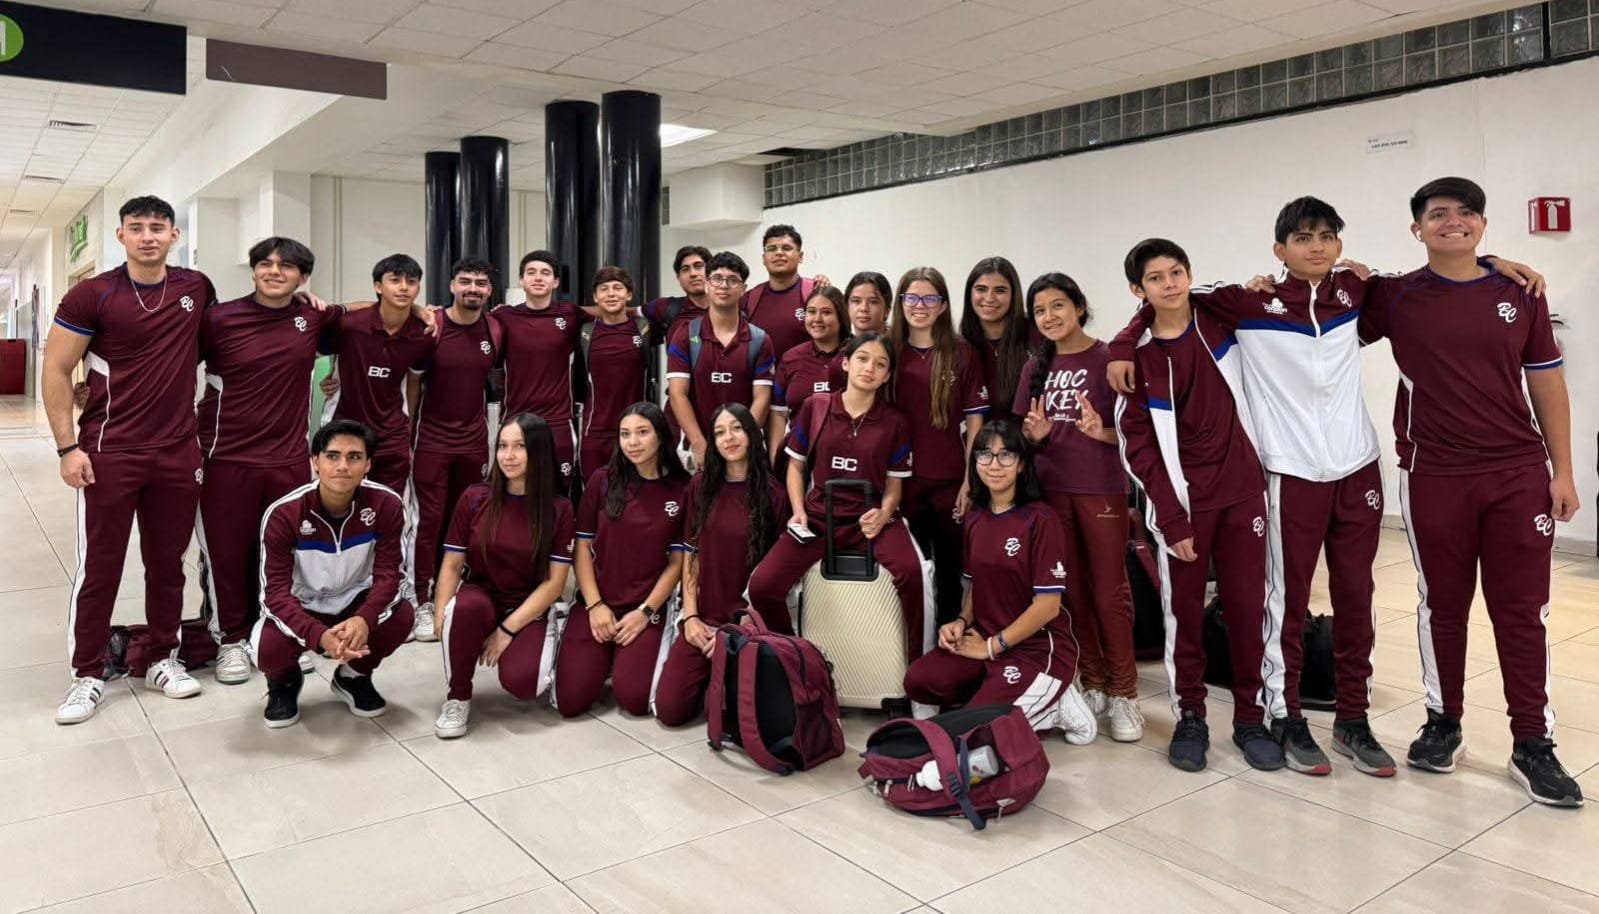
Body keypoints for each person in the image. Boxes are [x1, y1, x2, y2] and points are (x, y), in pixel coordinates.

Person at [1359, 177, 1581, 806]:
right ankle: (1443, 722)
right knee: (1443, 605)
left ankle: (1532, 741)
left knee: (1523, 610)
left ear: (1482, 225)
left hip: (1516, 474)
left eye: (1465, 213)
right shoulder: (1395, 296)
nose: (1452, 222)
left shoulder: (1520, 292)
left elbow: (1547, 383)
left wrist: (1562, 471)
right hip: (1433, 474)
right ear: (1417, 228)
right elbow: (1323, 300)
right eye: (1438, 214)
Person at [1114, 238, 1284, 773]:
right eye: (1156, 278)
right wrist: (1170, 517)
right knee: (1184, 615)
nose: (1170, 284)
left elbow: (1263, 293)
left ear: (1189, 274)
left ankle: (1251, 718)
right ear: (1138, 290)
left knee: (1247, 609)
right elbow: (1138, 447)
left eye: (1176, 273)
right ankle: (1190, 715)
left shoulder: (1217, 320)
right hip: (1185, 508)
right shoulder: (1137, 359)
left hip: (1244, 494)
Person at [47, 195, 217, 723]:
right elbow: (56, 368)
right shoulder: (92, 294)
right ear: (120, 234)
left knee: (168, 565)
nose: (148, 236)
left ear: (174, 236)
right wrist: (67, 448)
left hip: (177, 451)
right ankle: (88, 673)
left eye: (158, 228)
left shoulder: (196, 287)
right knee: (100, 567)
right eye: (137, 227)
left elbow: (229, 338)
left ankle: (163, 658)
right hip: (109, 451)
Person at [195, 236, 336, 685]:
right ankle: (231, 640)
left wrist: (422, 312)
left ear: (303, 277)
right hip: (225, 457)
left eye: (287, 266)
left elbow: (370, 321)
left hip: (288, 460)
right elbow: (166, 361)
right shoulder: (219, 319)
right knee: (227, 554)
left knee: (285, 553)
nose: (275, 271)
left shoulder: (312, 317)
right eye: (266, 264)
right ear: (253, 270)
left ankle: (282, 632)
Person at [904, 420, 1096, 743]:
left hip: (1036, 649)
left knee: (975, 734)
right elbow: (977, 585)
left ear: (1021, 464)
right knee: (920, 680)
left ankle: (1057, 701)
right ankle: (1000, 692)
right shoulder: (976, 517)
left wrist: (992, 647)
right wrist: (961, 621)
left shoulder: (1041, 519)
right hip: (987, 636)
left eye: (1005, 455)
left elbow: (1048, 607)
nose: (994, 465)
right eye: (985, 454)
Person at [748, 333, 929, 659]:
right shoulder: (816, 407)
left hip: (870, 519)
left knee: (913, 576)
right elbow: (795, 466)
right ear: (845, 363)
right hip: (820, 517)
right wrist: (798, 510)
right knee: (762, 586)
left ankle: (916, 666)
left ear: (887, 375)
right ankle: (794, 657)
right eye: (862, 359)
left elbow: (894, 484)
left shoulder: (895, 422)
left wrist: (884, 513)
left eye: (880, 364)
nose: (869, 368)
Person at [1016, 273, 1141, 743]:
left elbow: (1137, 433)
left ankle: (1125, 693)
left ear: (1080, 307)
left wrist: (1101, 432)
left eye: (1058, 306)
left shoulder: (1108, 358)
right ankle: (1094, 683)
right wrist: (1037, 437)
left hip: (1101, 490)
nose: (1049, 316)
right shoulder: (1035, 368)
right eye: (1040, 310)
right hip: (1052, 493)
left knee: (1109, 592)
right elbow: (1026, 435)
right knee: (1071, 593)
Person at [254, 420, 415, 728]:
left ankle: (353, 676)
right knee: (266, 647)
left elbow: (389, 576)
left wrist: (364, 618)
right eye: (332, 456)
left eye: (354, 457)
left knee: (403, 615)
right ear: (315, 461)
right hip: (304, 603)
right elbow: (274, 594)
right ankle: (285, 683)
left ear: (368, 465)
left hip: (355, 600)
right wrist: (317, 634)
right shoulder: (284, 513)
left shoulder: (387, 505)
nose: (343, 466)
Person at [432, 413, 576, 739]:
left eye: (519, 447)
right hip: (481, 595)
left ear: (538, 452)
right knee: (463, 609)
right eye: (502, 446)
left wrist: (506, 630)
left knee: (525, 684)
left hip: (529, 603)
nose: (508, 456)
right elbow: (452, 564)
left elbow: (555, 583)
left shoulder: (559, 509)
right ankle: (457, 697)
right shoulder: (475, 498)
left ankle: (555, 633)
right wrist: (441, 610)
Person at [555, 403, 690, 717]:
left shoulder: (682, 488)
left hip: (646, 607)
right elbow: (581, 548)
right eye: (625, 434)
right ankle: (593, 649)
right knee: (571, 702)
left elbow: (677, 562)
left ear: (661, 436)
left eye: (642, 433)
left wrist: (645, 612)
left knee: (635, 699)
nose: (633, 442)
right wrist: (594, 605)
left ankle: (625, 654)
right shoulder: (603, 481)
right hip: (598, 601)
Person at [654, 404, 785, 726]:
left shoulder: (774, 494)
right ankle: (711, 674)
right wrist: (691, 616)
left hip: (747, 624)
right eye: (720, 432)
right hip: (703, 619)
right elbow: (691, 553)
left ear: (752, 434)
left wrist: (742, 628)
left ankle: (723, 676)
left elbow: (776, 577)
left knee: (726, 716)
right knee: (670, 710)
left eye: (737, 428)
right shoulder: (700, 487)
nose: (729, 438)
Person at [408, 258, 501, 643]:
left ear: (489, 291)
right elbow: (413, 383)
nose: (473, 288)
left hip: (474, 441)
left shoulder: (495, 328)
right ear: (451, 286)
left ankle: (458, 591)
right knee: (428, 521)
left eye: (480, 282)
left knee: (468, 519)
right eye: (465, 281)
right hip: (432, 439)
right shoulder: (432, 325)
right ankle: (420, 600)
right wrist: (407, 432)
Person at [889, 266, 989, 625]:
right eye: (912, 298)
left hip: (949, 481)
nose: (920, 306)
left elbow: (975, 422)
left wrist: (969, 481)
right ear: (900, 302)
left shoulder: (962, 353)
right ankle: (913, 641)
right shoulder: (888, 350)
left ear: (943, 305)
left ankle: (948, 639)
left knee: (950, 570)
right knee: (909, 571)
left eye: (930, 298)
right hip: (901, 482)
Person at [321, 254, 436, 496]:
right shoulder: (350, 325)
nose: (403, 288)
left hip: (392, 435)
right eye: (395, 280)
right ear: (377, 286)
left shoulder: (424, 334)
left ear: (418, 288)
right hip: (343, 428)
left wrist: (408, 430)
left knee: (389, 504)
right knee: (339, 501)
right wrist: (331, 375)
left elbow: (413, 382)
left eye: (411, 282)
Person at [666, 251, 776, 468]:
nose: (724, 285)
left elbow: (762, 399)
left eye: (732, 280)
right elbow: (678, 394)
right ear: (707, 285)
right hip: (698, 450)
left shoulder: (760, 340)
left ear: (743, 289)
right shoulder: (686, 335)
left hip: (743, 452)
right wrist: (699, 443)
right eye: (717, 279)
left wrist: (742, 443)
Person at [495, 250, 582, 487]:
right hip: (516, 419)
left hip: (558, 422)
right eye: (531, 272)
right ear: (521, 280)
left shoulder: (570, 314)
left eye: (545, 273)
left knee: (560, 491)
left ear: (555, 282)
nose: (538, 278)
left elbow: (605, 311)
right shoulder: (503, 316)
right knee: (516, 488)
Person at [579, 266, 651, 478]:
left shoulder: (644, 329)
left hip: (636, 429)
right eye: (604, 289)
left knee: (635, 491)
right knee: (595, 490)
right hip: (595, 431)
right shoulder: (585, 332)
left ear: (629, 295)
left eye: (618, 288)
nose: (611, 294)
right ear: (595, 297)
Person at [767, 284, 848, 465]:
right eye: (811, 312)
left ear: (841, 316)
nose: (817, 319)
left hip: (844, 457)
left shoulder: (856, 355)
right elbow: (778, 414)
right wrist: (775, 461)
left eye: (826, 312)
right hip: (798, 459)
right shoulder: (791, 358)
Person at [960, 256, 1035, 425]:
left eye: (1000, 290)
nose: (989, 298)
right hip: (981, 439)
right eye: (981, 289)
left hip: (1029, 438)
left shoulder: (1036, 334)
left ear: (1014, 295)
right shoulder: (961, 345)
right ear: (969, 293)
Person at [741, 224, 820, 358]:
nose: (778, 253)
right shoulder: (749, 299)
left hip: (806, 371)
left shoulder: (816, 293)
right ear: (764, 258)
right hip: (763, 372)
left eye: (786, 248)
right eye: (771, 249)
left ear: (800, 256)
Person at [831, 271, 892, 388]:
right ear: (847, 307)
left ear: (887, 311)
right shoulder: (840, 357)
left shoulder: (899, 351)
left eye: (873, 302)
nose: (863, 308)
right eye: (856, 301)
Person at [643, 245, 711, 342]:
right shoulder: (665, 307)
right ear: (678, 278)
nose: (693, 273)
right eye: (685, 269)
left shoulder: (730, 308)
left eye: (698, 266)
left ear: (712, 271)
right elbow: (628, 313)